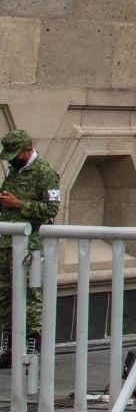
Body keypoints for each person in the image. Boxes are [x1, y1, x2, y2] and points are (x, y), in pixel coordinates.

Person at [0, 129, 61, 367]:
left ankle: (34, 346)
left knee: (30, 293)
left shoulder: (45, 173)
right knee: (5, 294)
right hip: (7, 243)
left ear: (27, 149)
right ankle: (10, 346)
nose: (12, 159)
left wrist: (19, 204)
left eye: (16, 154)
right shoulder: (14, 170)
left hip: (29, 244)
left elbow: (51, 210)